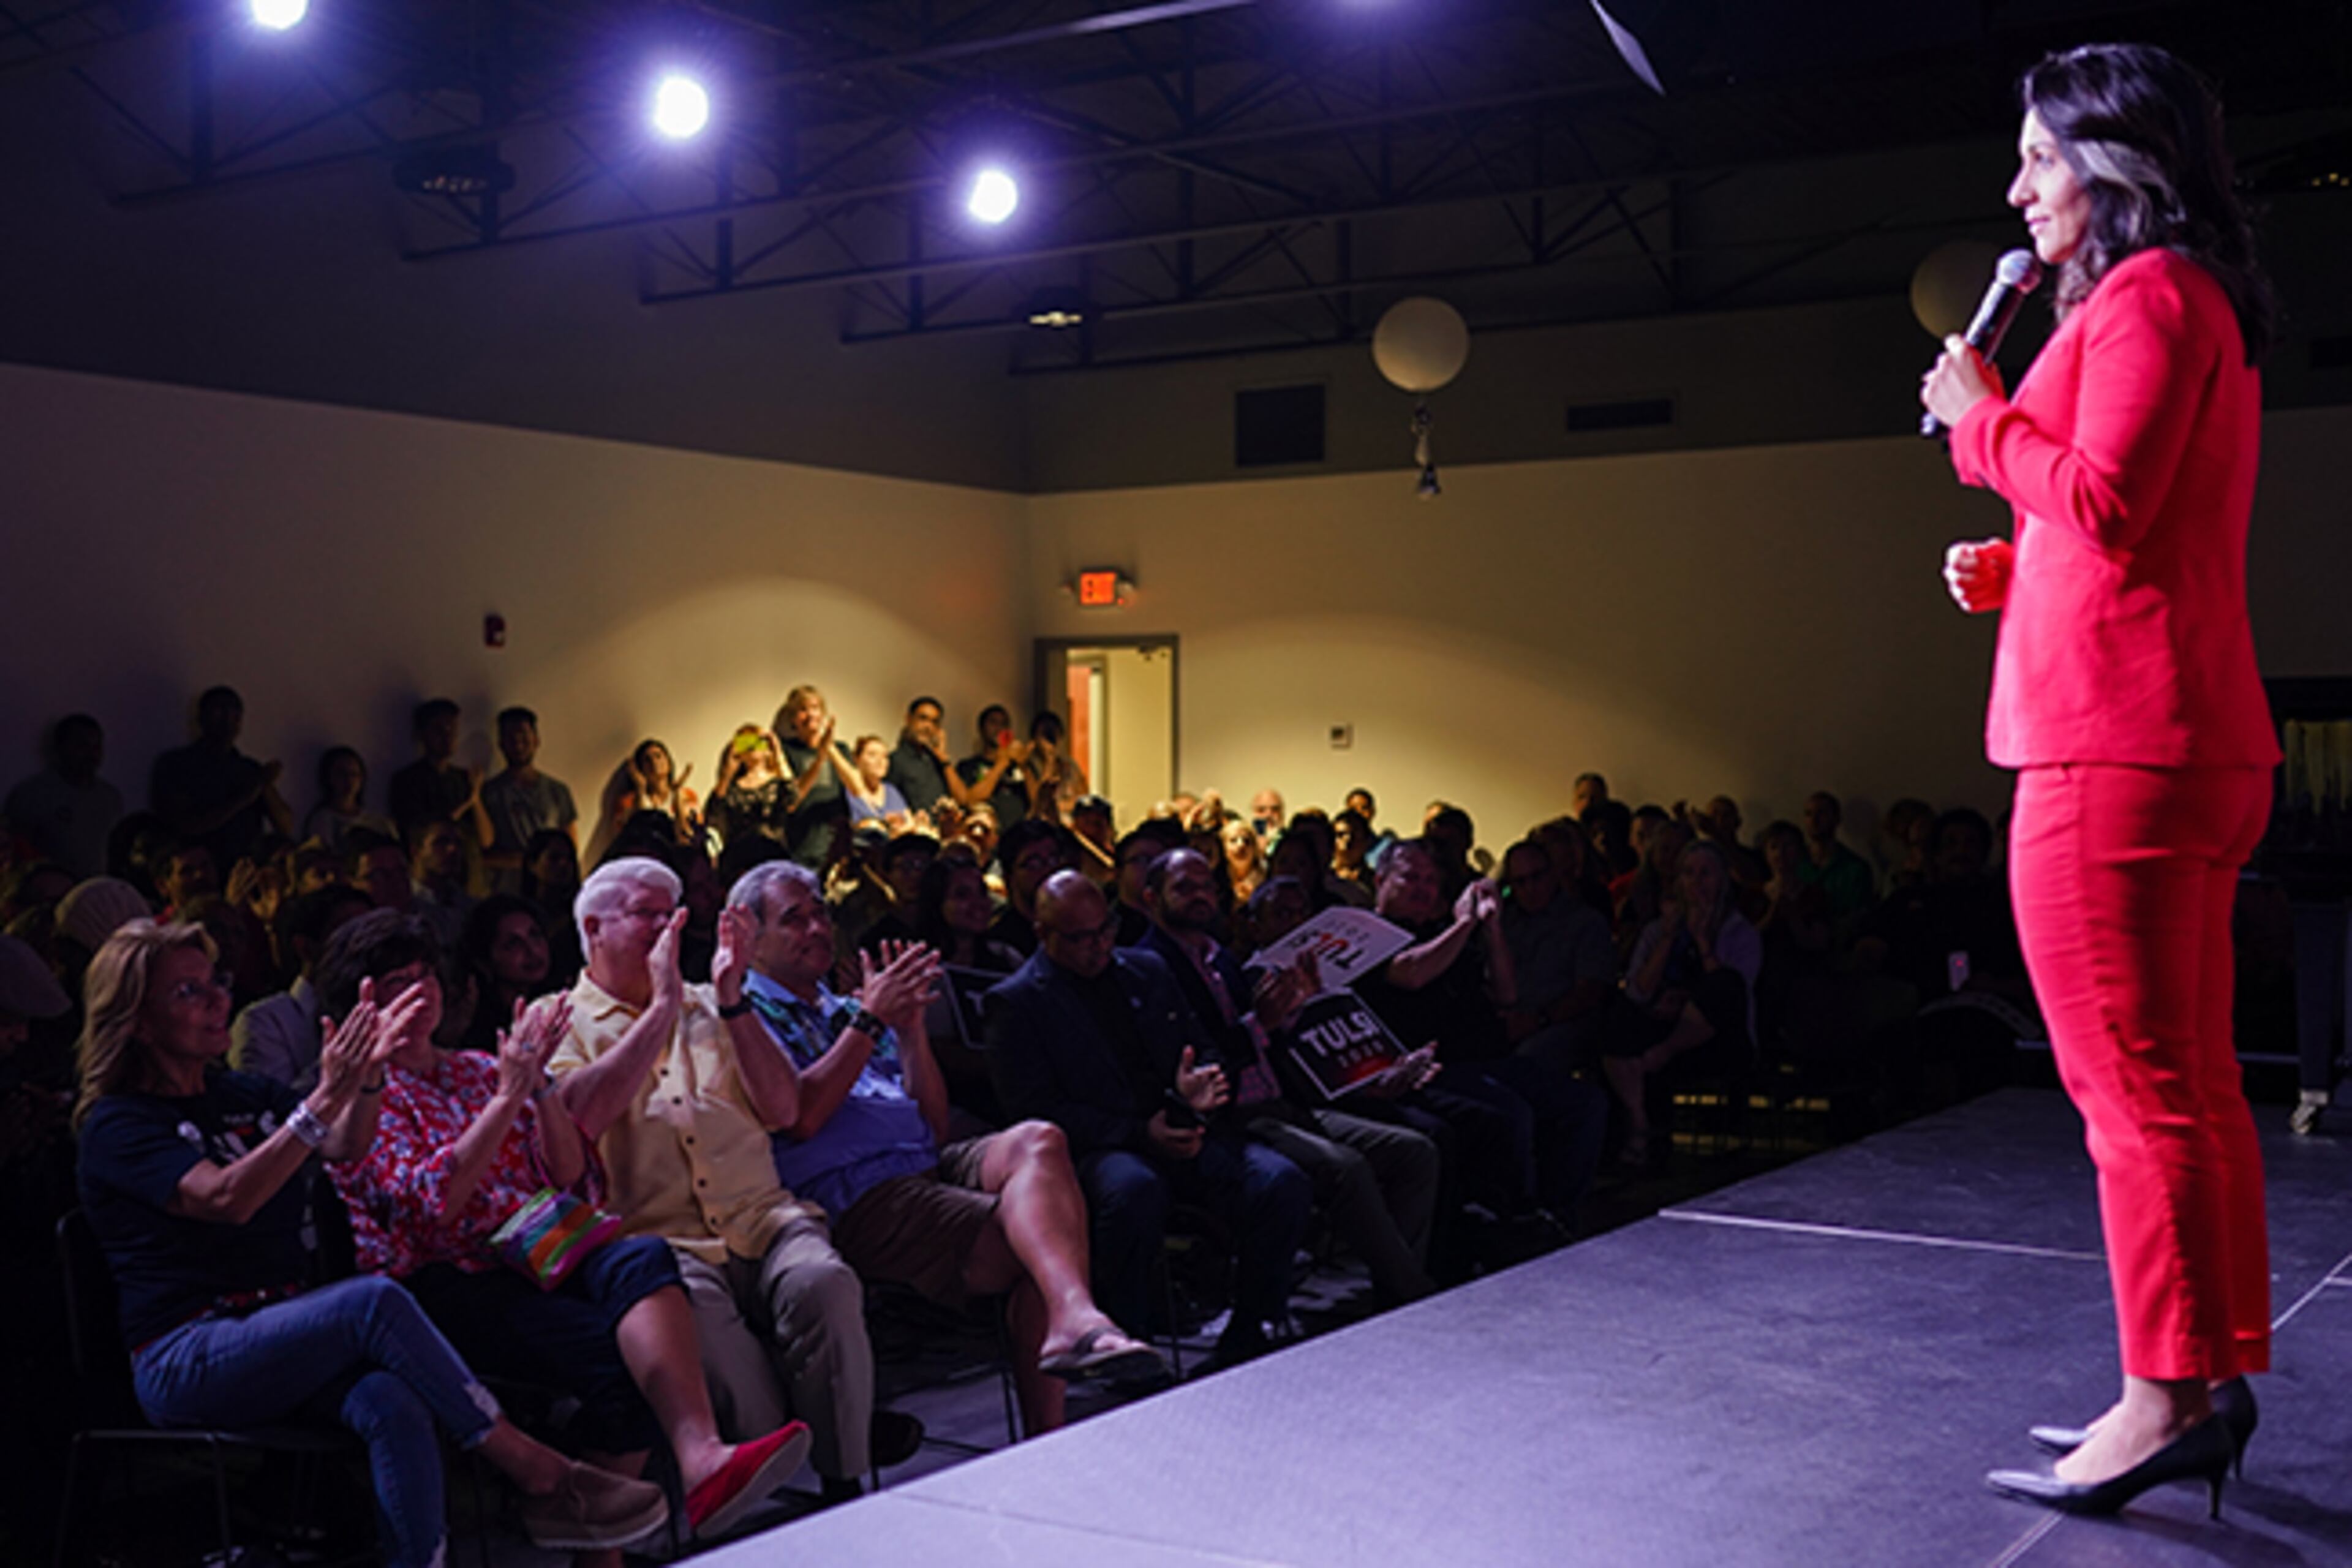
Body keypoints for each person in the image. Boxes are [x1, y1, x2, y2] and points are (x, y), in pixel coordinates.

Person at [1921, 42, 2278, 1515]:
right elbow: (2129, 522)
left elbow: (2113, 498)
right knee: (2185, 1087)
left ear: (2111, 158)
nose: (2016, 188)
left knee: (2128, 1092)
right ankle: (2202, 1371)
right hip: (2178, 731)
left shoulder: (2144, 296)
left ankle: (2158, 1397)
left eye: (2037, 156)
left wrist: (1978, 416)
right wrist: (2013, 567)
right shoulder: (2186, 299)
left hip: (2109, 746)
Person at [72, 919, 671, 1565]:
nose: (220, 999)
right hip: (189, 1350)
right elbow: (229, 1199)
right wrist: (325, 1098)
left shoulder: (239, 1093)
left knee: (392, 1400)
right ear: (136, 1021)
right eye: (188, 991)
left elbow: (343, 1145)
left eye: (215, 981)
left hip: (286, 1330)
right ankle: (538, 1471)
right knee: (372, 1302)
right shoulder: (119, 1124)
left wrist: (368, 1076)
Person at [319, 910, 812, 1545]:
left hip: (534, 1248)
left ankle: (702, 1456)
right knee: (618, 1363)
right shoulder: (361, 1098)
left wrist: (542, 1089)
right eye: (397, 982)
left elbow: (570, 1176)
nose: (421, 993)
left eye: (426, 976)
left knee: (642, 1257)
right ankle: (578, 1526)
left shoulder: (475, 1067)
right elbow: (431, 1209)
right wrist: (507, 1100)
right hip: (445, 1282)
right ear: (362, 1003)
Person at [728, 862, 1164, 1433]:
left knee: (1039, 1139)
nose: (816, 929)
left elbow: (932, 1129)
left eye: (820, 914)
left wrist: (911, 1032)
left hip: (919, 1166)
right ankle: (1054, 1409)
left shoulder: (842, 1009)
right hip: (856, 1192)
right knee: (1042, 1242)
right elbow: (802, 1118)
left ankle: (1073, 1318)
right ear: (751, 936)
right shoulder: (744, 1014)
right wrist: (871, 1019)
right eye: (794, 919)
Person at [544, 857, 905, 1503]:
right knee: (727, 1365)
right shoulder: (557, 1021)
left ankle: (845, 1482)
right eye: (647, 914)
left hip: (764, 1219)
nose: (667, 928)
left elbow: (785, 1110)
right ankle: (778, 1454)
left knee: (823, 1282)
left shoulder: (717, 1003)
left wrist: (733, 999)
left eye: (674, 914)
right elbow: (577, 1122)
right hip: (665, 1245)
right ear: (594, 928)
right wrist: (660, 1010)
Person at [985, 872, 1311, 1366]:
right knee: (1134, 1190)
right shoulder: (1017, 1001)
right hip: (1099, 1145)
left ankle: (1251, 1329)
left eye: (1106, 930)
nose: (1099, 946)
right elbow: (1033, 1111)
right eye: (1080, 938)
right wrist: (1141, 1133)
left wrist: (1201, 1085)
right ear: (1042, 933)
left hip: (1181, 1126)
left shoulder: (1147, 969)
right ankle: (1125, 1343)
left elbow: (1203, 1047)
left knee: (1280, 1181)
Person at [1138, 848, 1439, 1308]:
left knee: (1415, 1152)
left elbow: (1270, 1039)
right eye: (1184, 888)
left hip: (1282, 1102)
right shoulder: (1148, 966)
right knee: (1346, 1168)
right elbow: (1197, 1056)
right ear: (1150, 897)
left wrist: (1295, 1008)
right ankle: (1413, 1295)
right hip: (1230, 1117)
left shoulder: (1219, 958)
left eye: (1207, 887)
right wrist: (1261, 1023)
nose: (1200, 896)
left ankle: (1393, 1290)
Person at [1600, 841, 1761, 1167]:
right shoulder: (1656, 930)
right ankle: (1639, 1122)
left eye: (1706, 874)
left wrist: (1703, 943)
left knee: (1724, 984)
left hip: (1715, 1040)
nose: (1697, 883)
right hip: (1660, 1024)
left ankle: (1664, 1053)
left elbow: (1733, 995)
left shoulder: (1740, 933)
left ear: (1722, 880)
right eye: (1689, 874)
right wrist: (1669, 937)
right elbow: (1638, 991)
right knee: (1614, 1014)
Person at [231, 883, 372, 1092]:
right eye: (349, 936)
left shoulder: (387, 1006)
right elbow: (272, 1107)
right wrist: (352, 1049)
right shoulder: (264, 1022)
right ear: (306, 948)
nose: (366, 947)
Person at [149, 687, 293, 874]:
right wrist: (246, 796)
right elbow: (185, 824)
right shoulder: (177, 765)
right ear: (201, 718)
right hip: (195, 872)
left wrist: (265, 784)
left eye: (235, 714)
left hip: (243, 872)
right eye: (220, 711)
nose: (228, 719)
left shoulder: (248, 769)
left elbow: (285, 826)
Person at [6, 714, 122, 881]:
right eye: (82, 746)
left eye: (97, 746)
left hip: (96, 890)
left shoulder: (110, 798)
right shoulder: (33, 796)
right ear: (61, 747)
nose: (91, 754)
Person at [481, 707, 579, 891]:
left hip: (550, 891)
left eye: (524, 738)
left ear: (536, 741)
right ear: (501, 744)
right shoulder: (488, 792)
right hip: (506, 891)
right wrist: (527, 861)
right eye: (511, 739)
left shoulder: (558, 791)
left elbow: (571, 848)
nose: (518, 745)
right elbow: (482, 853)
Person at [387, 699, 491, 850]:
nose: (447, 736)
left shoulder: (464, 778)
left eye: (452, 729)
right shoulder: (406, 781)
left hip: (466, 862)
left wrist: (476, 800)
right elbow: (422, 834)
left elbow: (486, 840)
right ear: (422, 734)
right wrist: (467, 803)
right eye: (438, 730)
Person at [775, 687, 858, 871]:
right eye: (803, 709)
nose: (810, 715)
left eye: (815, 708)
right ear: (793, 719)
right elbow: (793, 799)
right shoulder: (786, 750)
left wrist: (829, 747)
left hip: (835, 847)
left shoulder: (841, 749)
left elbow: (857, 789)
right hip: (800, 846)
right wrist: (819, 760)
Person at [588, 740, 699, 866]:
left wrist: (678, 793)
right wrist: (640, 790)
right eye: (647, 759)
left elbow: (689, 838)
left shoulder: (687, 796)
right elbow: (625, 839)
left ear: (669, 763)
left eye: (658, 756)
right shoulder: (628, 801)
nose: (654, 762)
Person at [301, 747, 397, 856]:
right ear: (329, 777)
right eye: (341, 774)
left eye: (354, 774)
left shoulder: (378, 821)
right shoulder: (322, 820)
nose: (349, 780)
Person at [709, 725, 790, 852]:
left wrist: (778, 753)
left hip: (772, 852)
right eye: (745, 743)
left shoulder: (777, 783)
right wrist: (728, 773)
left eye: (757, 742)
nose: (752, 747)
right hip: (738, 854)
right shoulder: (732, 787)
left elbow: (793, 797)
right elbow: (714, 811)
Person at [954, 706, 1031, 833]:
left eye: (1004, 724)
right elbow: (970, 801)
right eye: (993, 723)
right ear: (981, 729)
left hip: (1019, 836)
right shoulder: (968, 766)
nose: (999, 728)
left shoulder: (1020, 766)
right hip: (985, 836)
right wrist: (1002, 763)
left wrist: (1025, 766)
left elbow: (1036, 802)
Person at [883, 697, 960, 818]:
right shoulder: (895, 760)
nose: (928, 726)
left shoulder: (939, 763)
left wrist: (944, 759)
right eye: (923, 719)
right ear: (909, 719)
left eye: (934, 722)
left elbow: (963, 800)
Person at [1021, 713, 1089, 825]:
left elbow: (1084, 799)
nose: (1050, 738)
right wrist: (1049, 762)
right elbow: (1038, 802)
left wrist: (1059, 806)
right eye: (1045, 734)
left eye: (1053, 733)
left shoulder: (1070, 765)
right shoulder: (1029, 766)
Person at [842, 736, 914, 832]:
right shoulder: (851, 791)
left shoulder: (891, 791)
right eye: (872, 755)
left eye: (885, 756)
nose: (880, 761)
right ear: (857, 759)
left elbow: (910, 822)